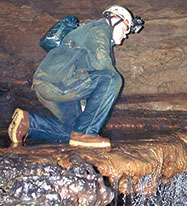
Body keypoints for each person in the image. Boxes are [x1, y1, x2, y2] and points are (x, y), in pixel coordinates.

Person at [7, 5, 144, 148]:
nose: (125, 35)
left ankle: (29, 123)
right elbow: (102, 65)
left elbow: (87, 73)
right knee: (112, 79)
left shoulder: (91, 33)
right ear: (115, 20)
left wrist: (85, 104)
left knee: (75, 130)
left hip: (52, 84)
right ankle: (87, 134)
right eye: (125, 29)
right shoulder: (100, 28)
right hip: (58, 82)